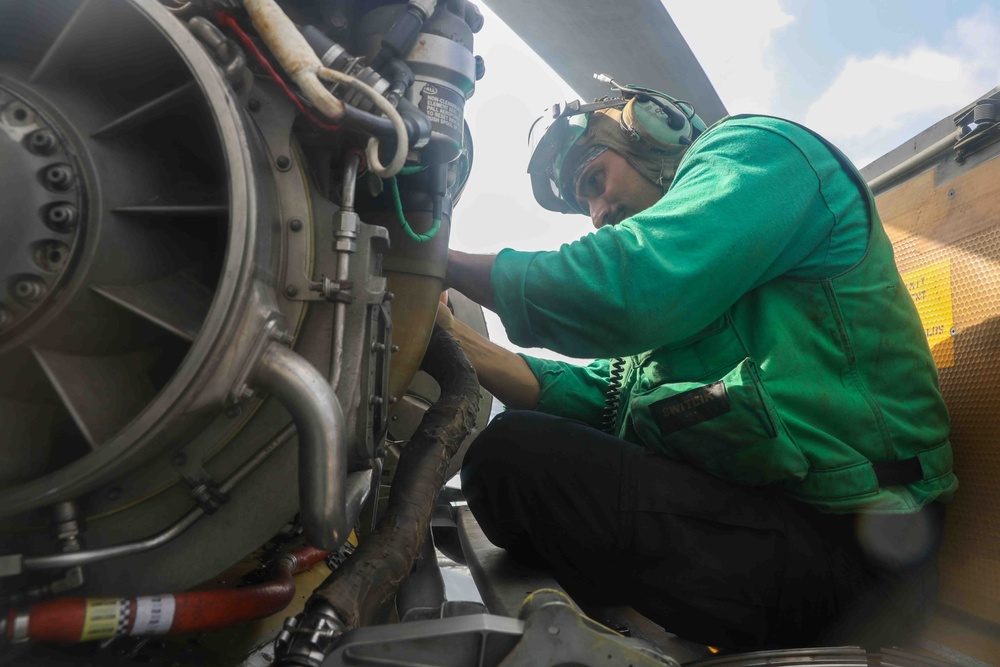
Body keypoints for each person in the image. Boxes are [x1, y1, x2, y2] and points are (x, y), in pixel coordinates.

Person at [438, 79, 957, 650]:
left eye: (594, 182)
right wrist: (450, 334)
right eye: (583, 203)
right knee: (511, 463)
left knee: (511, 458)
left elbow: (629, 283)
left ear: (655, 130)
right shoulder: (680, 302)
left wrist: (433, 261)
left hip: (863, 555)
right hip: (772, 526)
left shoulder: (759, 154)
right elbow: (601, 398)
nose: (596, 213)